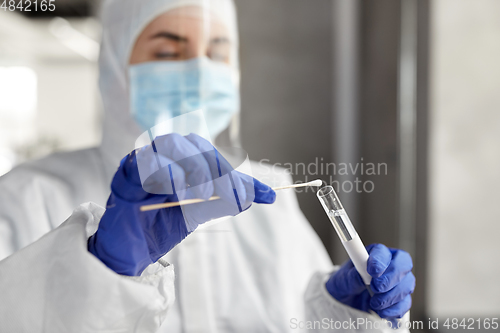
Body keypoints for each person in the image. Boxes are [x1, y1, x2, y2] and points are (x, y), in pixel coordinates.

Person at [0, 0, 415, 332]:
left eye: (217, 53)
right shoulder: (26, 198)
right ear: (114, 65)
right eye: (167, 50)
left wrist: (342, 317)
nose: (199, 71)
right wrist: (101, 272)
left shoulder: (274, 200)